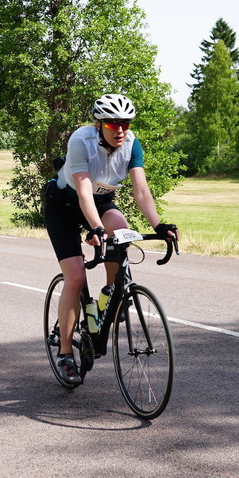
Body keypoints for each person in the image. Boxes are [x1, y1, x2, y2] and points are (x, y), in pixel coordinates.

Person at [43, 94, 178, 385]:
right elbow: (83, 192)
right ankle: (65, 354)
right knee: (76, 277)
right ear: (99, 124)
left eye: (125, 124)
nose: (120, 130)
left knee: (121, 230)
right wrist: (95, 228)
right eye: (113, 123)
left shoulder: (131, 144)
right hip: (64, 206)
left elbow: (141, 191)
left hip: (101, 201)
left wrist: (159, 225)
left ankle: (108, 296)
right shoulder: (81, 141)